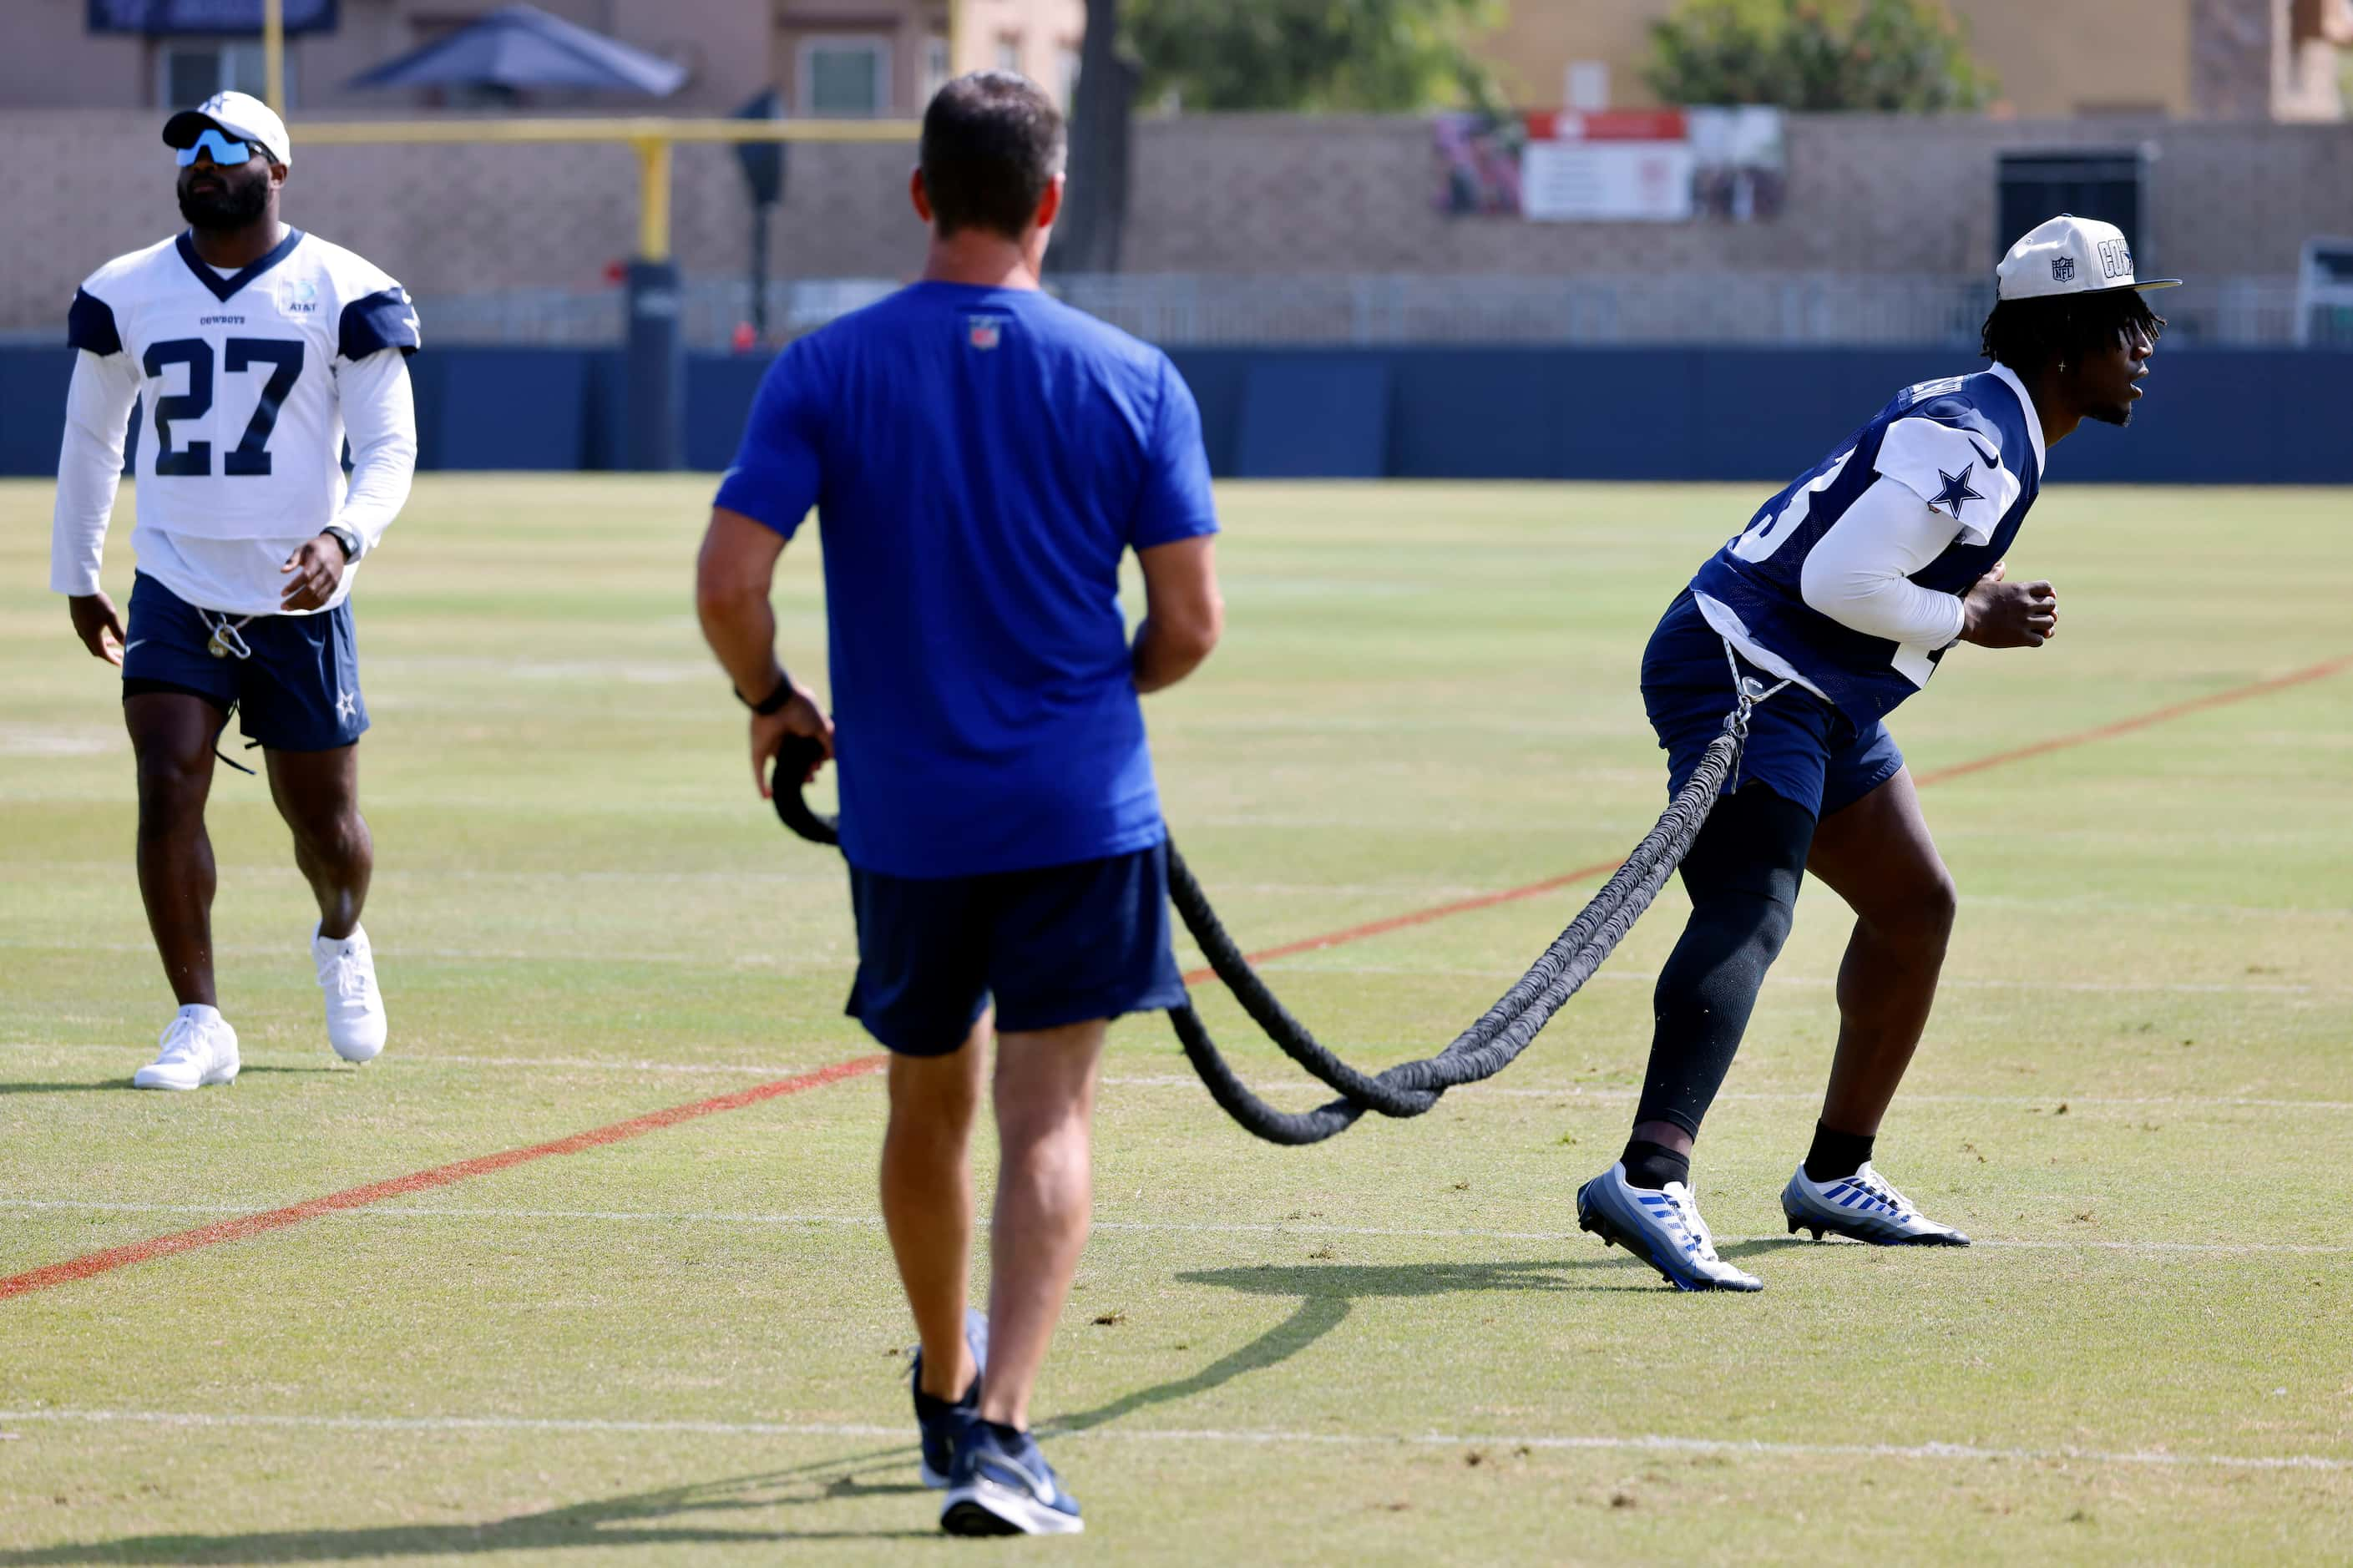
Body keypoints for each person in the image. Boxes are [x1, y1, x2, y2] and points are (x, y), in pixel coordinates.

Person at [693, 73, 1222, 1535]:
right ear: (1048, 200)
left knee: (928, 1097)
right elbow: (1187, 624)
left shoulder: (823, 367)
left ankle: (943, 1379)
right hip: (1077, 805)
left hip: (907, 815)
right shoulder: (1132, 377)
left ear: (921, 194)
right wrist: (1091, 702)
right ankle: (1003, 1431)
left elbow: (732, 583)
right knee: (1047, 1111)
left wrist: (772, 700)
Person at [1576, 215, 2176, 1291]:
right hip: (1748, 667)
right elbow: (1838, 583)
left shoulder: (1997, 423)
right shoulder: (1979, 439)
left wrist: (1960, 597)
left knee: (1914, 907)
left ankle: (1834, 1172)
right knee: (1750, 906)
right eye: (2126, 322)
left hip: (1819, 684)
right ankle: (1650, 1174)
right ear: (2063, 341)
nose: (2147, 343)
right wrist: (1970, 618)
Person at [52, 92, 418, 1092]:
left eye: (226, 148)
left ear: (277, 168)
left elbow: (390, 448)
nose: (203, 165)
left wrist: (346, 538)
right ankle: (199, 1019)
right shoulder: (127, 288)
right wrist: (78, 576)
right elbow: (94, 439)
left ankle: (342, 936)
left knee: (327, 829)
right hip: (176, 580)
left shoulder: (344, 285)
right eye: (189, 152)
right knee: (167, 778)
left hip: (300, 594)